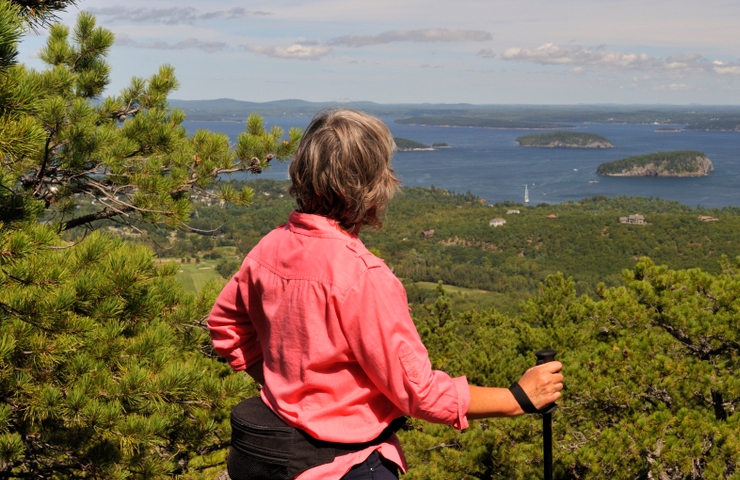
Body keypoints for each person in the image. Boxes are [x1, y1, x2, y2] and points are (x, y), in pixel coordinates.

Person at [207, 108, 564, 479]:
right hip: (347, 466)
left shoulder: (269, 247)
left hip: (272, 453)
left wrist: (288, 388)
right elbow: (418, 392)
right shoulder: (363, 276)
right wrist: (519, 399)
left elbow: (225, 327)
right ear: (372, 185)